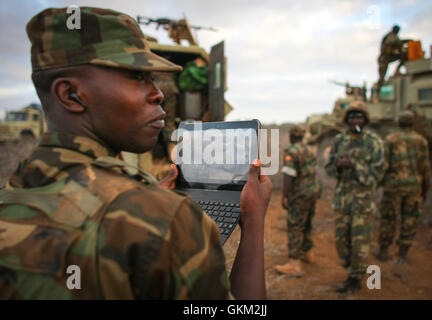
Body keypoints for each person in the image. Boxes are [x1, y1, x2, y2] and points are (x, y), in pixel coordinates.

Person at [0, 7, 272, 300]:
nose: (158, 93)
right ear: (70, 94)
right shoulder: (168, 221)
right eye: (136, 77)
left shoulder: (13, 191)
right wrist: (254, 223)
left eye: (152, 78)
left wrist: (138, 197)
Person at [325, 101, 384, 293]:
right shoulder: (339, 140)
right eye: (351, 117)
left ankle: (354, 280)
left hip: (363, 203)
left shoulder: (374, 143)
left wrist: (355, 166)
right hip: (343, 202)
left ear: (365, 119)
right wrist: (337, 166)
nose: (355, 120)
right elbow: (329, 169)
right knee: (342, 242)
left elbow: (378, 174)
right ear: (346, 120)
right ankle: (350, 272)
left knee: (360, 243)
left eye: (358, 116)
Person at [377, 110, 431, 267]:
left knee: (388, 218)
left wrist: (378, 185)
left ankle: (384, 251)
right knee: (409, 220)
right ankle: (402, 254)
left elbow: (384, 165)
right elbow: (425, 167)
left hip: (393, 187)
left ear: (398, 122)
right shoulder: (421, 140)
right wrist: (425, 188)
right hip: (414, 187)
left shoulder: (390, 139)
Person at [275, 125, 320, 276]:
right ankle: (308, 253)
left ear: (292, 136)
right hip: (312, 192)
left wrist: (285, 196)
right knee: (307, 223)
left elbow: (289, 175)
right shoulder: (309, 151)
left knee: (295, 225)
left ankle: (295, 263)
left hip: (299, 194)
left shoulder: (291, 152)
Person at [376, 25, 405, 100]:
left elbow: (398, 44)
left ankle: (397, 70)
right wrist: (395, 51)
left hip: (387, 58)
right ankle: (377, 95)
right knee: (382, 78)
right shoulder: (391, 36)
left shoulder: (394, 36)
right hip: (384, 59)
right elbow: (388, 46)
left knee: (404, 55)